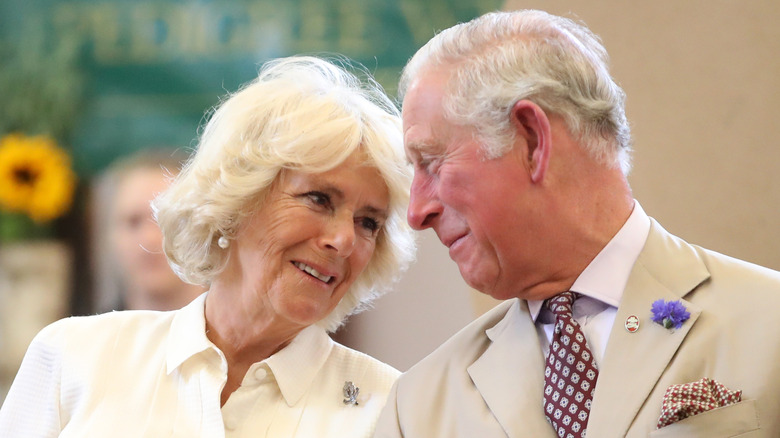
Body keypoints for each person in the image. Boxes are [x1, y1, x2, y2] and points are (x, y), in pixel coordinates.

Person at [374, 9, 780, 438]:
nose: (417, 213)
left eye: (433, 164)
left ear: (532, 140)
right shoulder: (417, 407)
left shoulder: (769, 325)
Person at [0, 55, 416, 437]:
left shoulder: (390, 408)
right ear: (239, 199)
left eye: (368, 223)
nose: (344, 240)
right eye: (319, 199)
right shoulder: (77, 356)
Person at [91, 148, 205, 312]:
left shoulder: (243, 335)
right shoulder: (88, 336)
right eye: (133, 222)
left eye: (167, 221)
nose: (149, 239)